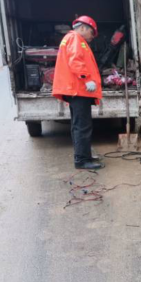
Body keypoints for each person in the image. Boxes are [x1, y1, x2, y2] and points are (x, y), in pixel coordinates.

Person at [52, 15, 103, 170]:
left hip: (75, 90)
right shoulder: (75, 38)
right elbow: (75, 60)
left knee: (78, 125)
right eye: (91, 33)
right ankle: (82, 160)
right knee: (82, 126)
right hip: (79, 90)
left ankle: (83, 155)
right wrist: (87, 78)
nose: (92, 37)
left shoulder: (69, 38)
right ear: (83, 28)